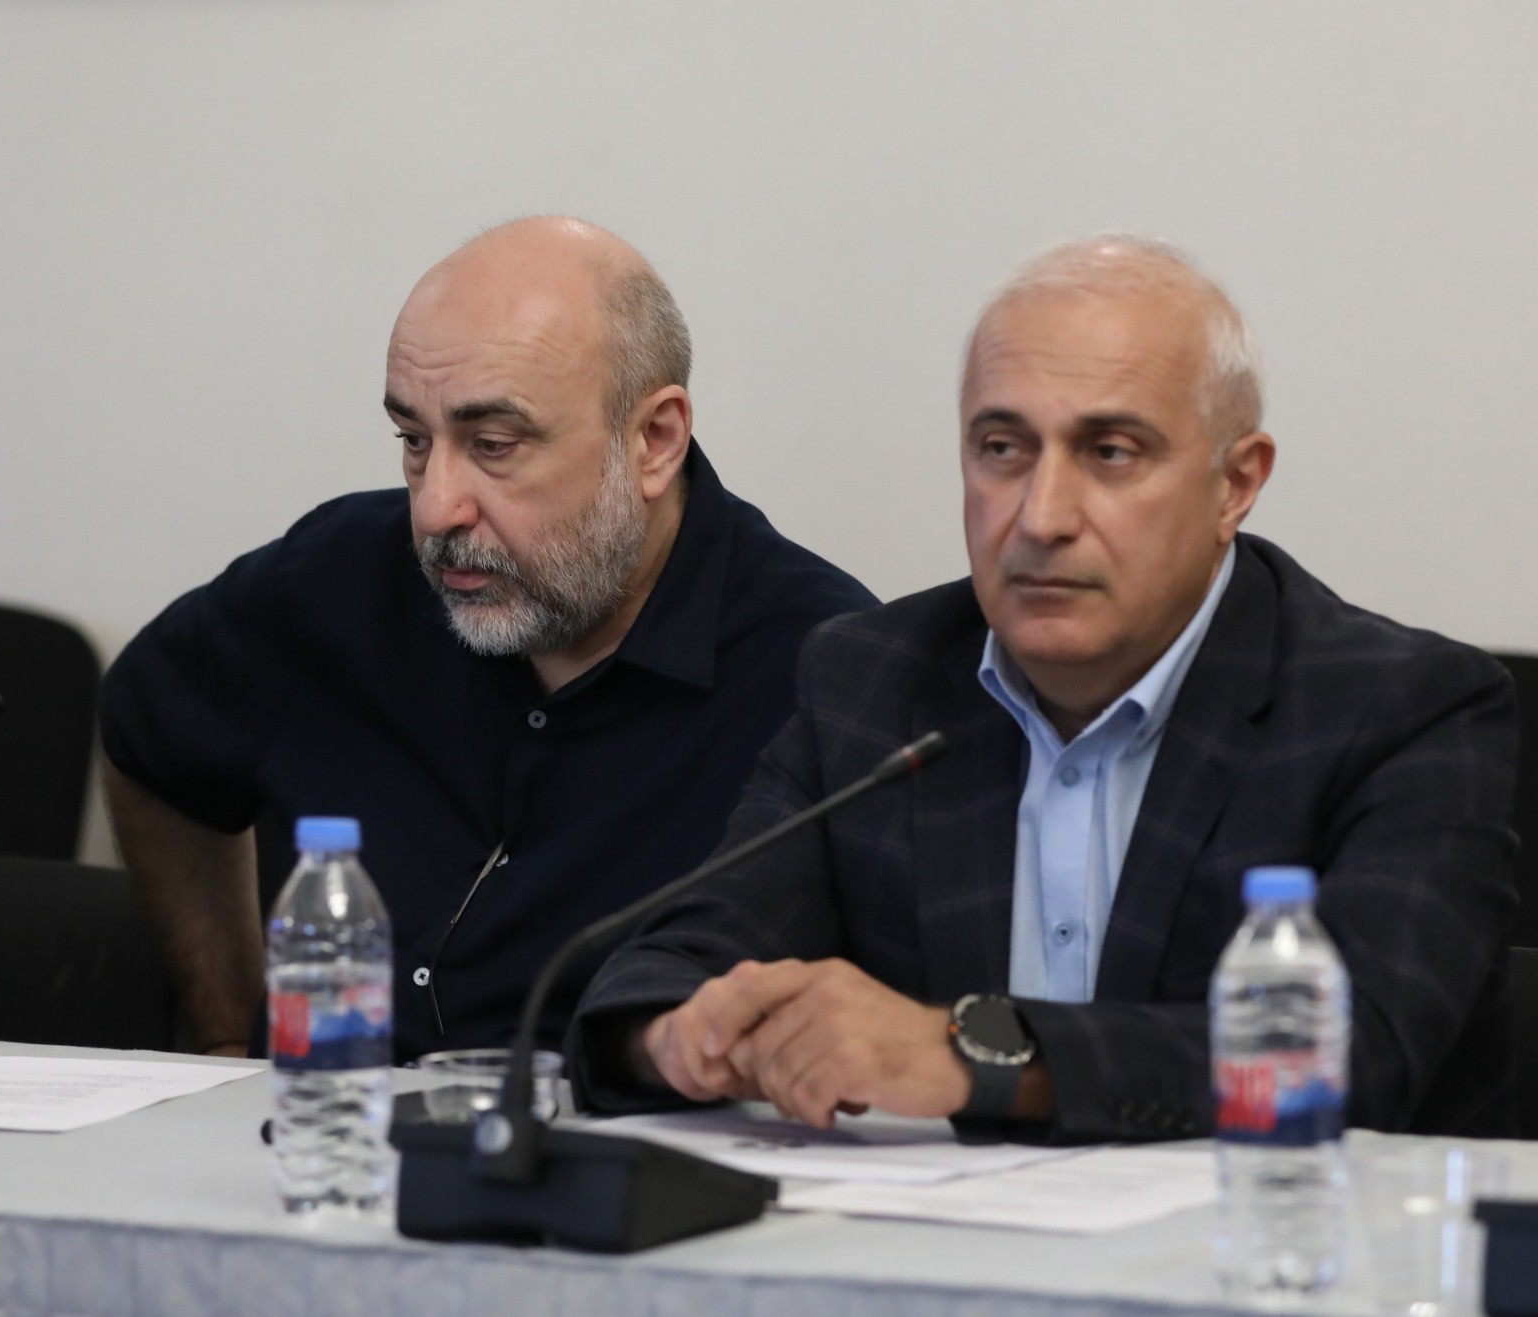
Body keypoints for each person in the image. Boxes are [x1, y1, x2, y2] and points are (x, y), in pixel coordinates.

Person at [569, 234, 1520, 1142]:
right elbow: (668, 970)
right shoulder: (871, 682)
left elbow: (1359, 1052)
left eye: (1110, 452)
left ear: (1235, 483)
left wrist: (971, 1055)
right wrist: (685, 1037)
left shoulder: (1403, 710)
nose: (1041, 516)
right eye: (1002, 448)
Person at [99, 217, 875, 1063]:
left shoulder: (826, 676)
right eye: (414, 440)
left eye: (493, 446)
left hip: (602, 1141)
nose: (436, 509)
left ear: (655, 440)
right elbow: (145, 737)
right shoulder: (333, 581)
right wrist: (223, 1032)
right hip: (322, 1127)